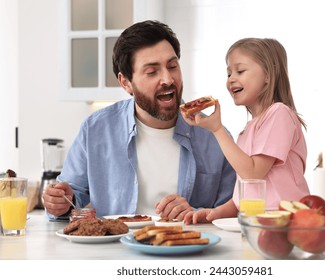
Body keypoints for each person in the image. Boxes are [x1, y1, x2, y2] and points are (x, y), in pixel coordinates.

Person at [43, 20, 236, 220]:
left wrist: (196, 214)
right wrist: (60, 202)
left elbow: (235, 214)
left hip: (186, 248)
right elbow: (70, 196)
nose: (168, 79)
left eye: (172, 66)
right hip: (114, 249)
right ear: (126, 82)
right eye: (152, 72)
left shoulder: (215, 137)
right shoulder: (95, 129)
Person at [183, 38, 310, 224]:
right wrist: (213, 213)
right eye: (228, 74)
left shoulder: (279, 113)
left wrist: (217, 129)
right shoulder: (246, 131)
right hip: (258, 225)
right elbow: (244, 198)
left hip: (288, 222)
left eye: (240, 71)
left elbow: (253, 174)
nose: (231, 79)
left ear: (267, 75)